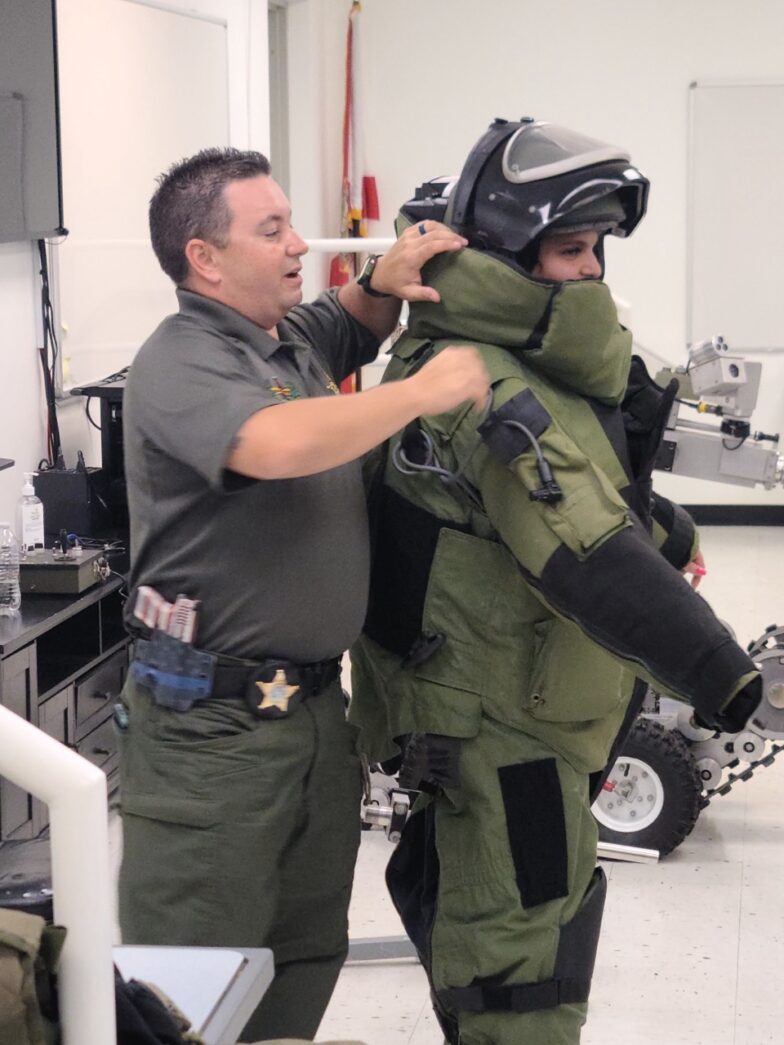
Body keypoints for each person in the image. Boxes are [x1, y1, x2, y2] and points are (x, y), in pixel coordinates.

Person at [348, 118, 762, 1045]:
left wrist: (663, 526)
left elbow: (576, 487)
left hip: (529, 711)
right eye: (569, 249)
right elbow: (582, 546)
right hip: (498, 736)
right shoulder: (477, 380)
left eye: (597, 249)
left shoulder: (517, 356)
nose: (590, 270)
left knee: (547, 923)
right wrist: (730, 679)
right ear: (506, 255)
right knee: (519, 971)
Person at [115, 146, 490, 1044]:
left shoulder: (281, 341)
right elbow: (272, 442)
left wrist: (384, 280)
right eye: (271, 229)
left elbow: (343, 321)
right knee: (190, 985)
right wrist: (420, 394)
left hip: (315, 718)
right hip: (211, 735)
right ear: (205, 258)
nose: (296, 245)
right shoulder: (179, 362)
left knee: (300, 955)